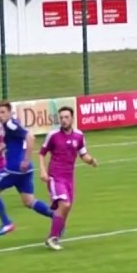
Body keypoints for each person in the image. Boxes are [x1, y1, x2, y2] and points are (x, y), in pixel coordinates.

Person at [0, 101, 55, 237]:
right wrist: (0, 148)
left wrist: (26, 159)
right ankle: (57, 218)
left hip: (14, 169)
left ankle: (6, 223)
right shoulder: (12, 124)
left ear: (10, 112)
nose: (0, 115)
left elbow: (30, 137)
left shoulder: (10, 124)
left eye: (3, 112)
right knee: (29, 201)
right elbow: (14, 141)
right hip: (26, 170)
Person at [38, 107, 98, 251]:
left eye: (66, 117)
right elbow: (42, 153)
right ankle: (53, 237)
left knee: (66, 208)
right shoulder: (53, 135)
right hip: (55, 176)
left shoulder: (79, 135)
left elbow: (83, 154)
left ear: (72, 118)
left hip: (69, 178)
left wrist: (91, 161)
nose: (64, 120)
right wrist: (42, 170)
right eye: (61, 118)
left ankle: (55, 233)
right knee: (64, 204)